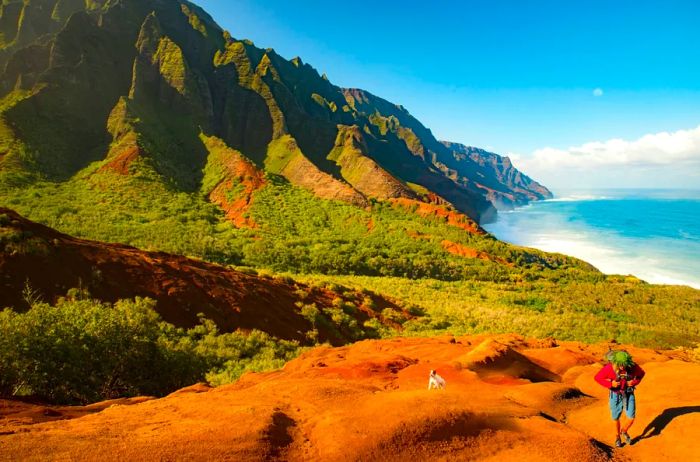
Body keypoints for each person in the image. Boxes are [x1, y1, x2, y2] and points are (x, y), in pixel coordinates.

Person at [594, 350, 645, 448]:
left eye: (624, 365)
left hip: (629, 393)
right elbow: (597, 378)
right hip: (615, 394)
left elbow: (641, 373)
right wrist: (610, 384)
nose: (622, 367)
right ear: (615, 362)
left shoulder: (632, 366)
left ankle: (624, 431)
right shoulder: (609, 368)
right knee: (615, 417)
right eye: (620, 365)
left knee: (631, 417)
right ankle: (617, 437)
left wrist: (634, 382)